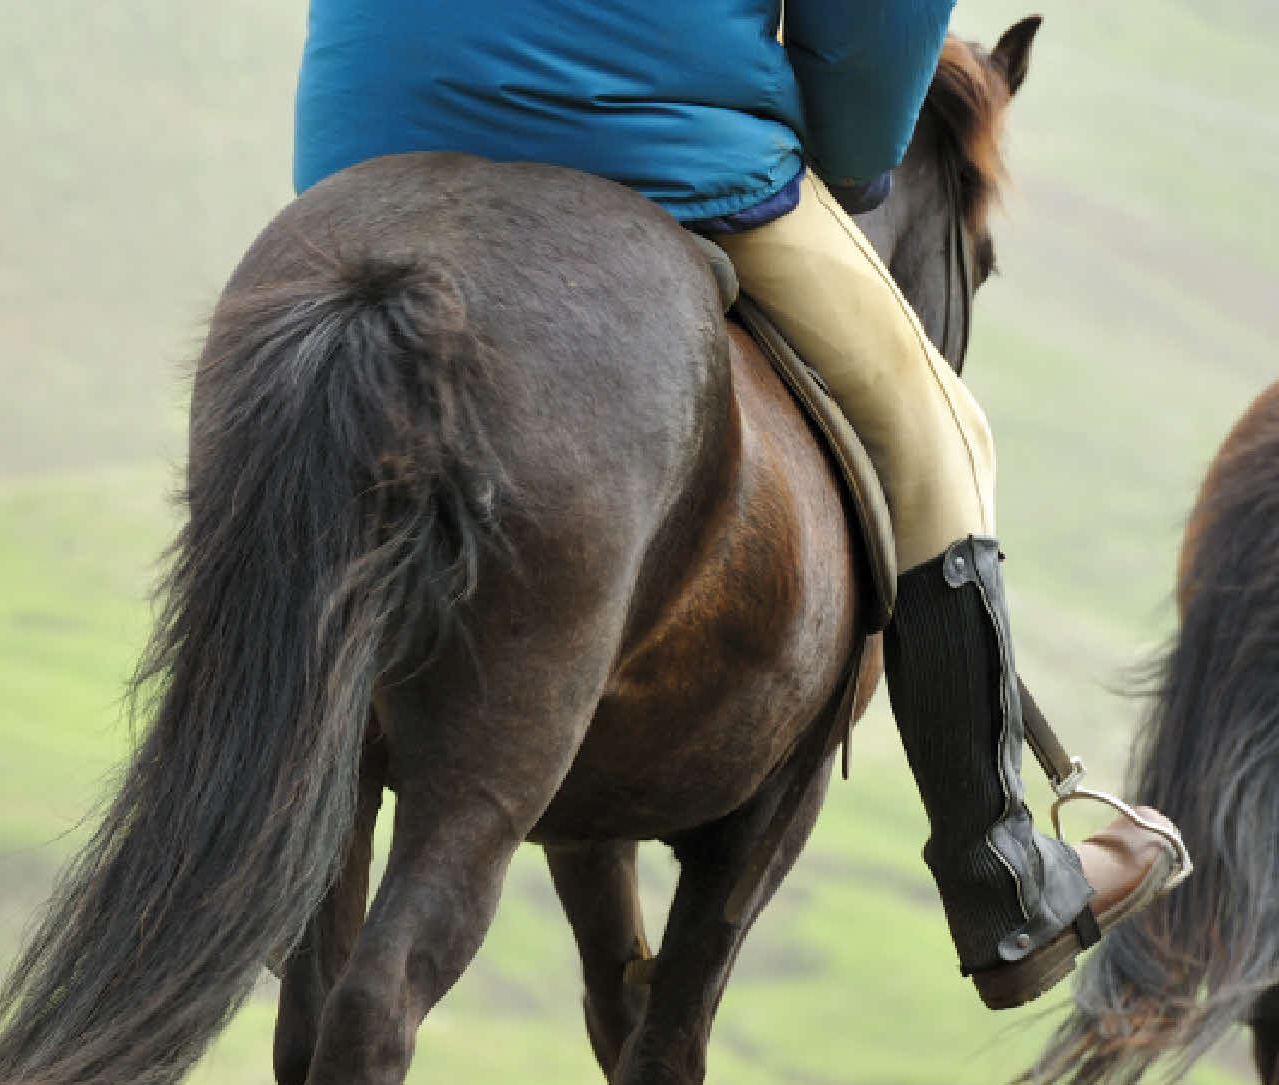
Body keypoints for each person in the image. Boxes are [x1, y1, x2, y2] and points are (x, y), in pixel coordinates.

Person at [291, 0, 1186, 1009]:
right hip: (636, 129)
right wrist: (845, 160)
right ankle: (1007, 885)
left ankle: (250, 772)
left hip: (368, 124)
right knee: (944, 434)